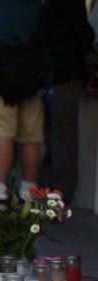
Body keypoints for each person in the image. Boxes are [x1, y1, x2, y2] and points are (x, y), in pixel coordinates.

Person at [0, 0, 46, 202]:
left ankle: (0, 191)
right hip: (31, 72)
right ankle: (29, 191)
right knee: (31, 136)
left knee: (3, 132)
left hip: (0, 70)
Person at [40, 0, 97, 206]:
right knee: (61, 135)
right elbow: (83, 34)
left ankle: (52, 191)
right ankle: (58, 192)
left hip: (50, 75)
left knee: (54, 136)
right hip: (62, 75)